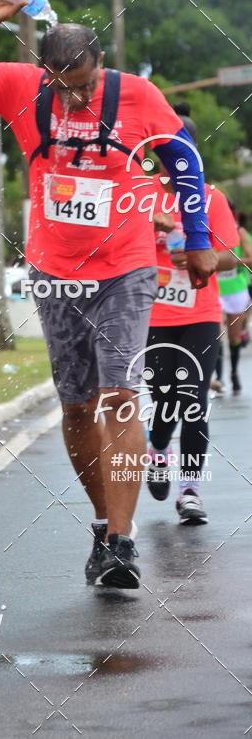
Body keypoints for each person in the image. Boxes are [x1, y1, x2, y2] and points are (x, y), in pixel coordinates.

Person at [0, 0, 216, 589]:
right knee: (77, 404)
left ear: (100, 66)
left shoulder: (140, 96)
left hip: (128, 265)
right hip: (55, 270)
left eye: (84, 85)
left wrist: (196, 239)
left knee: (119, 393)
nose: (74, 99)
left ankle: (122, 542)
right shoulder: (19, 85)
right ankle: (100, 522)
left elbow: (184, 161)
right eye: (62, 89)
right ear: (45, 73)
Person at [145, 167, 240, 524]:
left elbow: (232, 254)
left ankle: (190, 491)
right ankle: (157, 450)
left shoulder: (210, 197)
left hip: (200, 314)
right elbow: (113, 242)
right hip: (153, 314)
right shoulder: (141, 193)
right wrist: (149, 228)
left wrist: (204, 256)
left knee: (194, 400)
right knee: (163, 397)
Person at [215, 202, 252, 394]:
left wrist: (230, 262)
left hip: (236, 289)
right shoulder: (208, 228)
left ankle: (234, 373)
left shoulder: (239, 232)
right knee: (218, 334)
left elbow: (251, 259)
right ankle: (219, 377)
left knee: (234, 336)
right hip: (215, 290)